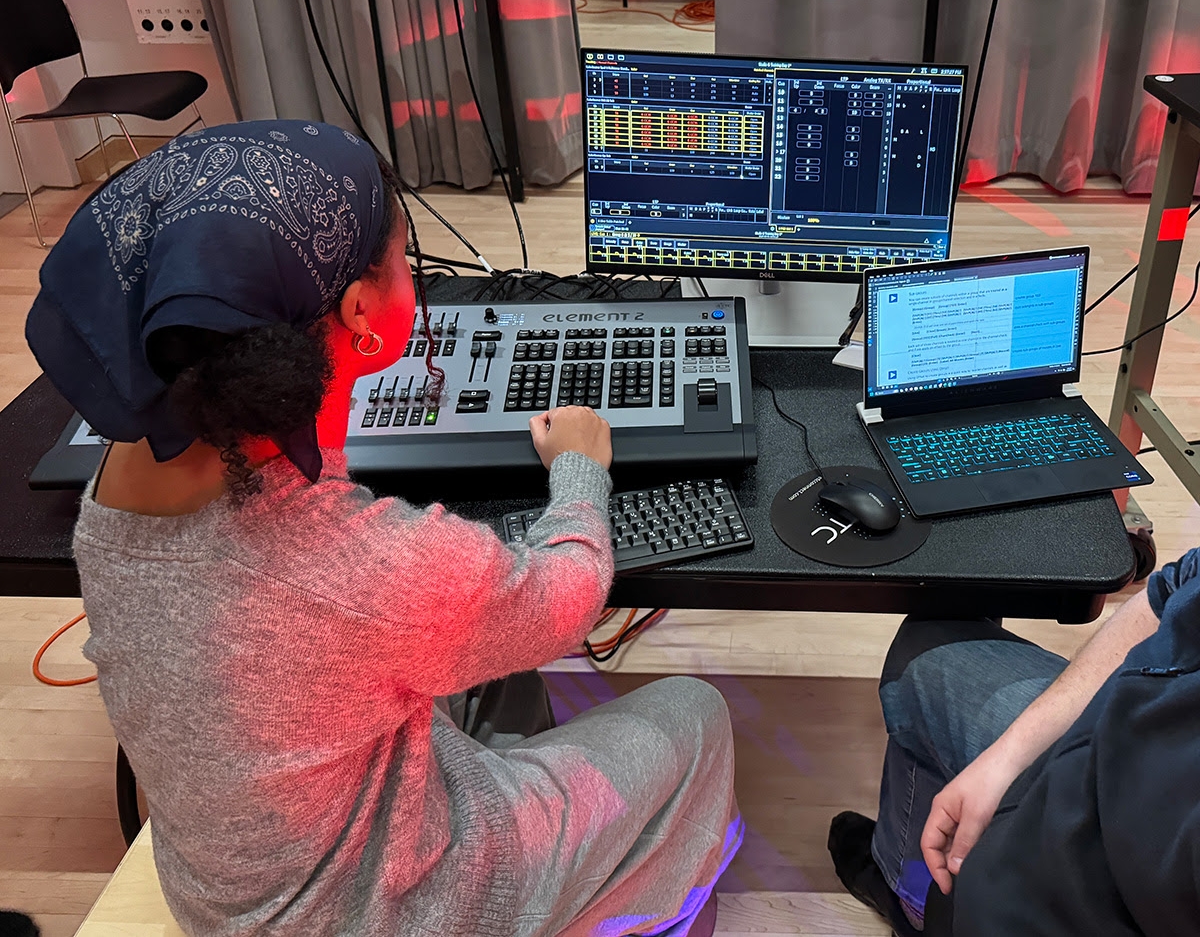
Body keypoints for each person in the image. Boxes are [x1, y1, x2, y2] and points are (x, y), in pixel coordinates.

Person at [26, 120, 742, 937]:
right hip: (394, 911)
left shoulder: (117, 482)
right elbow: (564, 596)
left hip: (227, 898)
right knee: (694, 711)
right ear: (362, 307)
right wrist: (580, 470)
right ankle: (664, 913)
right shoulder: (362, 567)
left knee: (483, 692)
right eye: (408, 258)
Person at [827, 548, 1200, 936]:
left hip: (1095, 890)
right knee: (927, 651)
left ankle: (924, 910)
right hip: (1110, 746)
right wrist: (1007, 757)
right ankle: (912, 900)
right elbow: (1178, 584)